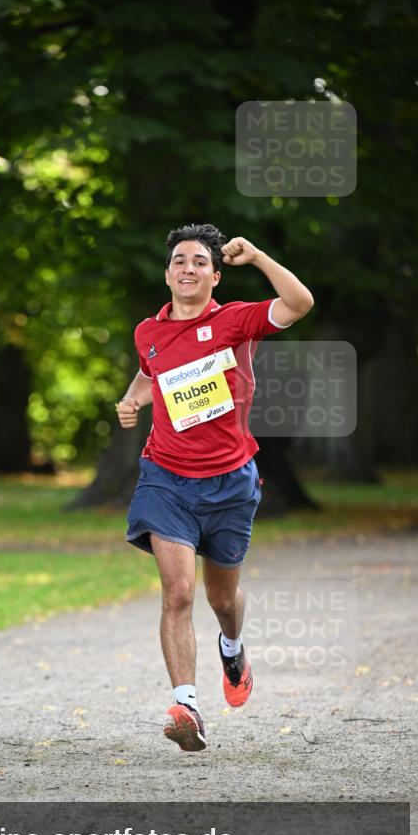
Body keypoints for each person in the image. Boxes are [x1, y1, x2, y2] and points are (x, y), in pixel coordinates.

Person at [116, 223, 314, 752]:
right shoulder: (148, 332)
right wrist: (133, 400)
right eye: (179, 260)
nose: (188, 268)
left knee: (221, 598)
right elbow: (149, 371)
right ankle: (187, 705)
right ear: (167, 273)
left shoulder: (235, 320)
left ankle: (233, 645)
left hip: (229, 480)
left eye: (199, 262)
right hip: (166, 478)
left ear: (214, 274)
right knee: (178, 591)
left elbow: (298, 303)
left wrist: (260, 256)